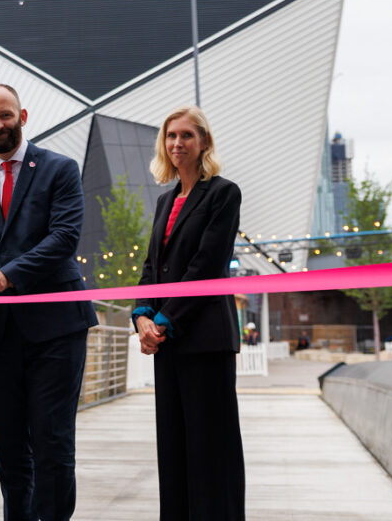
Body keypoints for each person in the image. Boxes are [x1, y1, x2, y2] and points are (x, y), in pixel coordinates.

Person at [0, 84, 98, 521]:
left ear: (23, 116)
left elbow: (64, 238)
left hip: (55, 326)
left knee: (53, 439)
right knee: (9, 444)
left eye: (6, 115)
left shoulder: (59, 169)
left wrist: (9, 274)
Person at [133, 105, 245, 520]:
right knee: (174, 446)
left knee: (211, 448)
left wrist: (162, 322)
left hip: (205, 340)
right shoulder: (165, 200)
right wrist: (142, 316)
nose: (177, 143)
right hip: (168, 343)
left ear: (204, 143)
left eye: (186, 136)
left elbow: (207, 266)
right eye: (170, 136)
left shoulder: (223, 193)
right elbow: (151, 268)